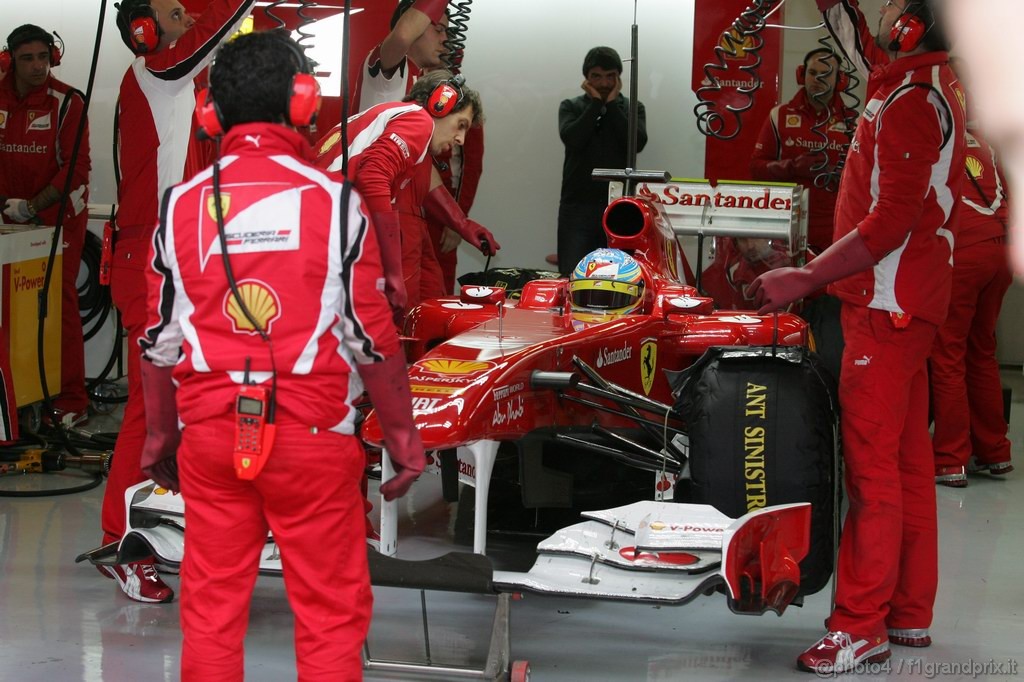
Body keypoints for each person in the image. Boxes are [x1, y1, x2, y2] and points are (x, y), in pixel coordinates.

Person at [137, 30, 425, 680]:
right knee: (328, 616)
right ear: (303, 103)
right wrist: (403, 440)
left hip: (212, 442)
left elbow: (159, 342)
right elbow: (371, 338)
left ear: (209, 113)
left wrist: (160, 439)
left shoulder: (181, 206)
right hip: (314, 441)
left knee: (210, 613)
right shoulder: (336, 205)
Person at [748, 0, 966, 673]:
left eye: (897, 7)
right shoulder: (905, 84)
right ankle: (906, 614)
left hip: (884, 307)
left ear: (913, 25)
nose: (884, 13)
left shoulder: (909, 100)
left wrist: (805, 277)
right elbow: (847, 27)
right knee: (905, 467)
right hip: (902, 305)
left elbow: (891, 222)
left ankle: (860, 624)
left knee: (872, 475)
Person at [100, 0, 257, 604]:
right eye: (175, 10)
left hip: (178, 260)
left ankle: (165, 535)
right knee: (149, 410)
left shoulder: (181, 88)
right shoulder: (153, 73)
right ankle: (121, 543)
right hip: (149, 263)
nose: (189, 17)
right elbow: (215, 27)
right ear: (145, 28)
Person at [316, 70, 499, 320]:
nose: (460, 138)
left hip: (321, 229)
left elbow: (422, 175)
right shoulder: (418, 121)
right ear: (440, 104)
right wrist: (392, 272)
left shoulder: (397, 118)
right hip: (329, 233)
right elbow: (373, 177)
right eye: (461, 125)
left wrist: (462, 224)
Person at [0, 24, 90, 424]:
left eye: (43, 57)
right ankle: (14, 395)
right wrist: (7, 206)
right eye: (27, 58)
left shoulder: (68, 101)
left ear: (54, 56)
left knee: (59, 305)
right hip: (5, 216)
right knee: (5, 307)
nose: (37, 67)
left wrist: (31, 208)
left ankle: (71, 401)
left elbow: (76, 168)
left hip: (58, 220)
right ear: (9, 61)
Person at [750, 48, 858, 378]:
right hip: (789, 237)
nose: (818, 80)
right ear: (802, 75)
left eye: (827, 74)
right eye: (813, 73)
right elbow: (755, 168)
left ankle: (830, 378)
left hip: (839, 236)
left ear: (840, 80)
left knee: (835, 317)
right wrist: (791, 167)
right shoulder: (779, 116)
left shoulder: (857, 121)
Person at [931, 77, 1013, 486]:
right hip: (999, 253)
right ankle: (995, 452)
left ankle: (949, 459)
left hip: (962, 255)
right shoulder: (986, 141)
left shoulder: (936, 139)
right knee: (982, 352)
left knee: (947, 355)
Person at [942, 0, 1024, 275]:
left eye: (967, 79)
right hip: (955, 249)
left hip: (998, 247)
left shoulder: (992, 126)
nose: (962, 86)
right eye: (956, 78)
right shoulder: (932, 124)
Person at [558, 46, 647, 275]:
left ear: (618, 78)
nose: (604, 83)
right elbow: (573, 139)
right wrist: (596, 104)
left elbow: (635, 144)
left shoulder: (632, 107)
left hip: (621, 207)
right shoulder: (571, 107)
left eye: (610, 77)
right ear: (586, 79)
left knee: (622, 273)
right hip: (577, 206)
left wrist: (613, 107)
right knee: (572, 273)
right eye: (596, 76)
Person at [700, 237, 792, 311]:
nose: (750, 246)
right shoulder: (731, 271)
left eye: (755, 237)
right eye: (742, 239)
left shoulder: (792, 263)